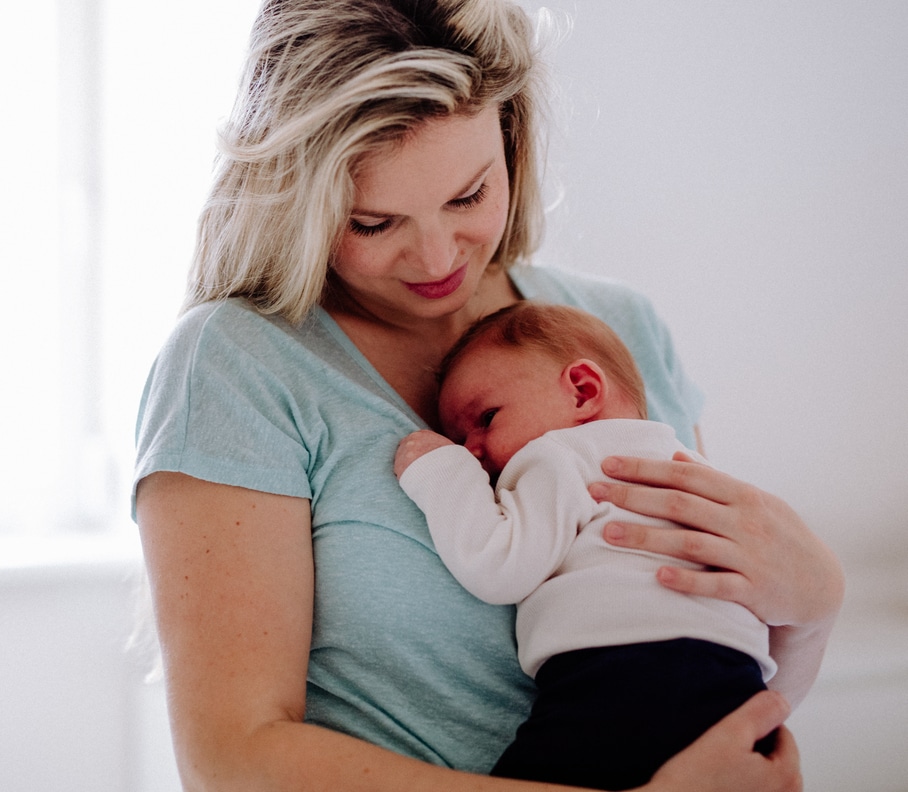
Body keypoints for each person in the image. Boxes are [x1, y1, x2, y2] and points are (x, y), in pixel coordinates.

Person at [133, 1, 844, 789]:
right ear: (299, 201)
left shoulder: (616, 328)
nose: (436, 255)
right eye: (373, 222)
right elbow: (233, 761)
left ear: (511, 141)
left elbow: (704, 643)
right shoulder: (238, 365)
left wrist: (816, 600)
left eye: (468, 196)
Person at [395, 301, 778, 790]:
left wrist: (441, 471)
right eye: (458, 439)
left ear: (582, 391)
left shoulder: (561, 454)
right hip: (737, 686)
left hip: (622, 678)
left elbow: (498, 566)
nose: (472, 450)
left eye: (485, 418)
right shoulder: (698, 470)